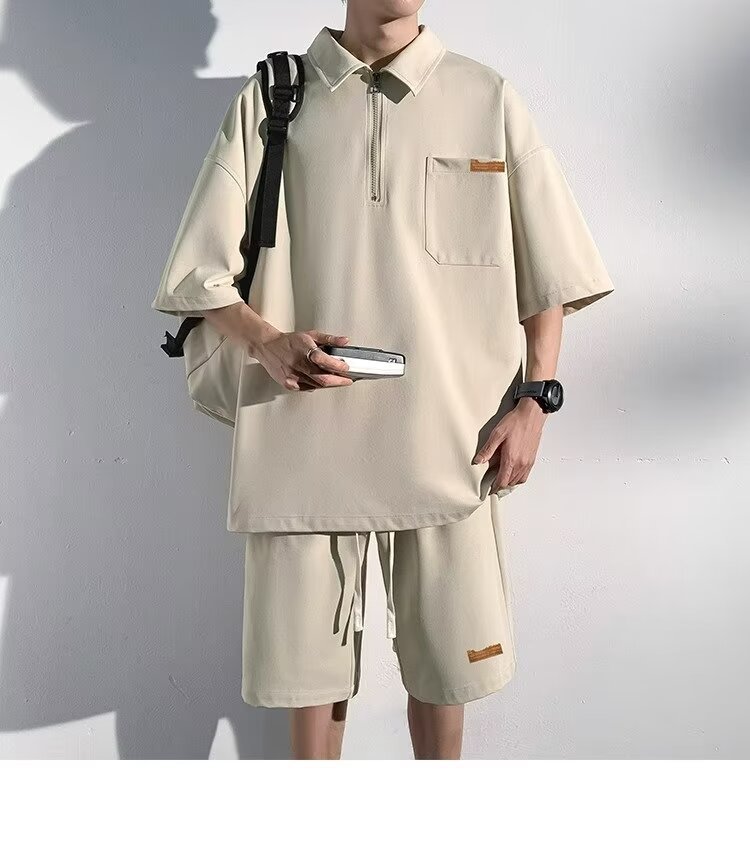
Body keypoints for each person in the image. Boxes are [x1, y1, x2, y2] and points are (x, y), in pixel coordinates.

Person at [151, 1, 614, 759]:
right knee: (309, 688)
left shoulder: (485, 96)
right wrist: (267, 342)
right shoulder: (273, 97)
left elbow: (548, 275)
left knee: (446, 678)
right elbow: (198, 274)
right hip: (300, 444)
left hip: (453, 446)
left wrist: (536, 402)